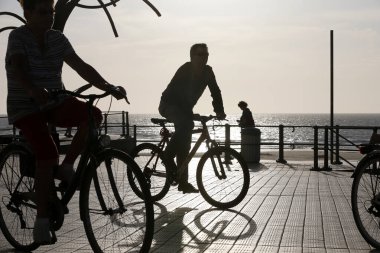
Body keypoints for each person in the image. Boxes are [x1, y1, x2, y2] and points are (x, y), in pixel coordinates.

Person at [5, 0, 125, 244]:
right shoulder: (18, 37)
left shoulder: (58, 38)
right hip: (25, 106)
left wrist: (108, 86)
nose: (49, 16)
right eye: (42, 11)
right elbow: (17, 68)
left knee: (93, 116)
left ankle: (68, 166)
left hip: (54, 102)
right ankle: (40, 223)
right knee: (47, 152)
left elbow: (81, 66)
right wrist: (32, 89)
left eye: (51, 11)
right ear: (27, 13)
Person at [159, 43, 226, 194]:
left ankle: (183, 183)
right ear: (191, 57)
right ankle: (167, 156)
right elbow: (176, 94)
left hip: (185, 109)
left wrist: (220, 111)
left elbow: (215, 91)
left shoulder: (208, 72)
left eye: (206, 55)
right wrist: (190, 114)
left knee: (185, 146)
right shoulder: (185, 69)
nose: (204, 58)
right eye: (200, 55)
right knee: (185, 125)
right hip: (169, 104)